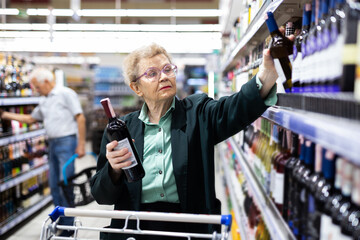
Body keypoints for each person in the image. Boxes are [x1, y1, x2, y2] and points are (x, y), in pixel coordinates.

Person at [90, 38, 288, 239]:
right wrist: (114, 170)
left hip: (189, 228)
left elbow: (235, 108)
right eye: (152, 73)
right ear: (136, 88)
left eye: (168, 69)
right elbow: (101, 195)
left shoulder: (198, 113)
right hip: (136, 229)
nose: (164, 77)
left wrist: (267, 74)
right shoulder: (122, 131)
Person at [0, 67, 86, 236]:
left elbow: (80, 117)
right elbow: (31, 119)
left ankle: (69, 227)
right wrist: (5, 115)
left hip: (67, 142)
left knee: (64, 183)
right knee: (54, 185)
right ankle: (60, 222)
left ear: (46, 81)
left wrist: (81, 144)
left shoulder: (65, 93)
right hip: (52, 144)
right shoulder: (45, 99)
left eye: (37, 87)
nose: (36, 91)